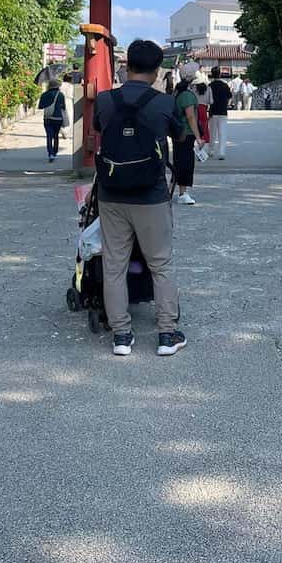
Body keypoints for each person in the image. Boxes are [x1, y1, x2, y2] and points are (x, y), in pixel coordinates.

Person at [93, 39, 186, 358]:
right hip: (152, 195)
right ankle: (166, 334)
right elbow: (182, 134)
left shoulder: (105, 100)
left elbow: (98, 128)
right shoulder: (164, 103)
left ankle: (121, 335)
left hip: (111, 194)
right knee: (160, 264)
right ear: (157, 70)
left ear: (126, 65)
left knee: (114, 265)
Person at [171, 62, 202, 204]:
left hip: (178, 133)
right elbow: (190, 117)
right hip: (187, 133)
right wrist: (198, 137)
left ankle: (171, 190)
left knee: (178, 162)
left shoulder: (177, 93)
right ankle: (183, 193)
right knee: (186, 163)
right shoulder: (188, 95)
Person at [37, 78, 66, 163]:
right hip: (58, 118)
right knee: (56, 135)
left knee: (49, 136)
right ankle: (55, 151)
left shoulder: (44, 94)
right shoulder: (60, 95)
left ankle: (50, 153)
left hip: (47, 118)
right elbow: (63, 107)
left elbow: (40, 106)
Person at [208, 66, 232, 159]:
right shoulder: (225, 85)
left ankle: (211, 150)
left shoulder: (210, 86)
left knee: (212, 132)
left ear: (212, 74)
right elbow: (229, 96)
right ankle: (221, 152)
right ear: (220, 74)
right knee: (222, 133)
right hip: (223, 111)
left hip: (213, 112)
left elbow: (208, 100)